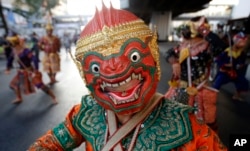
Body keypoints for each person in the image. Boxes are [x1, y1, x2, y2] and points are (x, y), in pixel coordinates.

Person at [28, 5, 227, 151]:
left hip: (197, 86)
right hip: (182, 84)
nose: (113, 71)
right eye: (96, 66)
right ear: (84, 74)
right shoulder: (85, 113)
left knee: (208, 115)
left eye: (133, 56)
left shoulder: (184, 123)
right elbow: (49, 144)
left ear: (153, 58)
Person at [165, 16, 228, 131]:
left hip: (199, 88)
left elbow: (222, 47)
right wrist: (174, 62)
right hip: (181, 87)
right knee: (177, 115)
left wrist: (204, 29)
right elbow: (168, 53)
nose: (185, 36)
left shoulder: (207, 47)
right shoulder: (182, 46)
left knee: (201, 119)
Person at [4, 35, 57, 104]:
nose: (11, 46)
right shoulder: (14, 51)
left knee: (40, 85)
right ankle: (19, 98)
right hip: (21, 72)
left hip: (29, 72)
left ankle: (53, 97)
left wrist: (36, 69)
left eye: (12, 45)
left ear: (15, 44)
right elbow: (10, 60)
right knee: (14, 84)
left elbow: (34, 59)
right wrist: (8, 68)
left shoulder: (25, 51)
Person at [212, 32, 249, 101]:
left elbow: (242, 62)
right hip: (225, 71)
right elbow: (218, 59)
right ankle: (212, 96)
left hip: (234, 72)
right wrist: (225, 64)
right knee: (217, 83)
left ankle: (237, 95)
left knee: (243, 81)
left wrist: (240, 64)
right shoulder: (227, 51)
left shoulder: (242, 53)